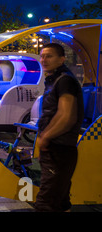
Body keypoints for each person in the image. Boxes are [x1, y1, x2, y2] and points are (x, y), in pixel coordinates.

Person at [35, 43, 84, 212]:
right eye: (42, 56)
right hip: (58, 148)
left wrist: (46, 137)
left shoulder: (64, 81)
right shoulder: (56, 80)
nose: (44, 60)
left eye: (49, 56)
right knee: (61, 201)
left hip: (59, 149)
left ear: (61, 59)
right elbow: (56, 114)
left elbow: (66, 116)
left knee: (45, 203)